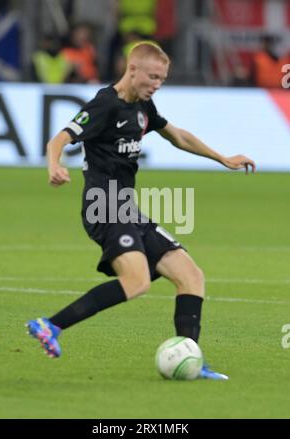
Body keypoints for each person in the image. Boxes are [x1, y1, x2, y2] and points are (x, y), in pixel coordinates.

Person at [26, 42, 255, 380]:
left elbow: (176, 135)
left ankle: (190, 357)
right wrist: (53, 166)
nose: (157, 84)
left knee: (191, 276)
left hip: (126, 209)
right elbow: (58, 139)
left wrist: (221, 157)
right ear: (131, 70)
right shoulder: (105, 104)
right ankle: (50, 326)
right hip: (102, 206)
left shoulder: (144, 105)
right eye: (152, 77)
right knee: (137, 282)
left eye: (162, 78)